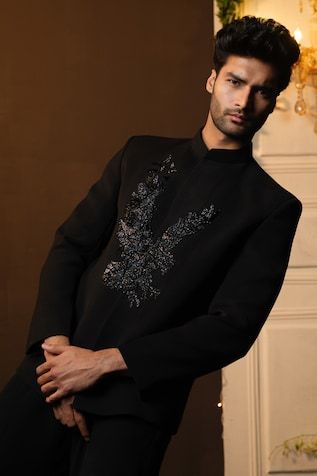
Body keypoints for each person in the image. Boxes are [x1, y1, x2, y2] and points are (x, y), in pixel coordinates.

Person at [0, 15, 302, 476]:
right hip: (47, 377)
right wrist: (59, 356)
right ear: (212, 79)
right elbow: (70, 247)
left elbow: (231, 328)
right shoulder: (139, 154)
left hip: (134, 406)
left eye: (261, 90)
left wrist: (100, 365)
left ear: (273, 99)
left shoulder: (271, 206)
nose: (243, 100)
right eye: (235, 81)